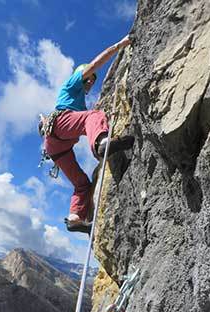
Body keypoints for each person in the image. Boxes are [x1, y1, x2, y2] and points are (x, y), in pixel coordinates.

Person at [40, 34, 134, 234]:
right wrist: (119, 45)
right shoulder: (73, 82)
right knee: (94, 116)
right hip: (60, 127)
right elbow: (94, 64)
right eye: (89, 78)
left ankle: (75, 219)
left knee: (82, 184)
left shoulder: (77, 99)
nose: (91, 82)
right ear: (82, 75)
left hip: (57, 147)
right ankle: (102, 142)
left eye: (92, 81)